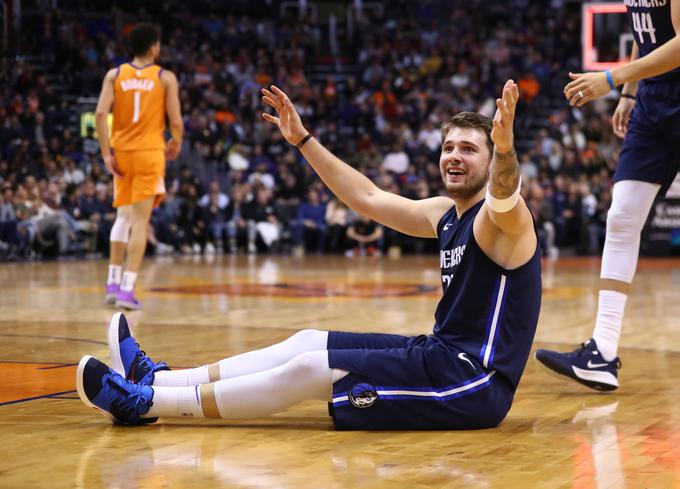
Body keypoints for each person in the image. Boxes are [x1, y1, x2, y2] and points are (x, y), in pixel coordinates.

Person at [75, 80, 542, 430]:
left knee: (308, 369)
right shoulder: (446, 212)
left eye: (469, 149)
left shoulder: (502, 222)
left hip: (472, 385)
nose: (454, 157)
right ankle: (157, 379)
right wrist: (302, 140)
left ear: (491, 158)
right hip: (439, 354)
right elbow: (369, 199)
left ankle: (144, 405)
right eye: (448, 147)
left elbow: (504, 196)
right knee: (305, 342)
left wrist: (505, 152)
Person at [535, 1, 680, 391]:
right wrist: (630, 93)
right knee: (621, 219)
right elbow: (644, 31)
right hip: (653, 101)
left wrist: (612, 78)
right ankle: (602, 351)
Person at [98, 23, 183, 310]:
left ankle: (112, 282)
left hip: (121, 153)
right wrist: (176, 141)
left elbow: (99, 113)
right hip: (148, 153)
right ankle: (126, 290)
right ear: (153, 47)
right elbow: (177, 122)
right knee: (140, 223)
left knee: (122, 217)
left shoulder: (114, 74)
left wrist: (105, 152)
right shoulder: (165, 77)